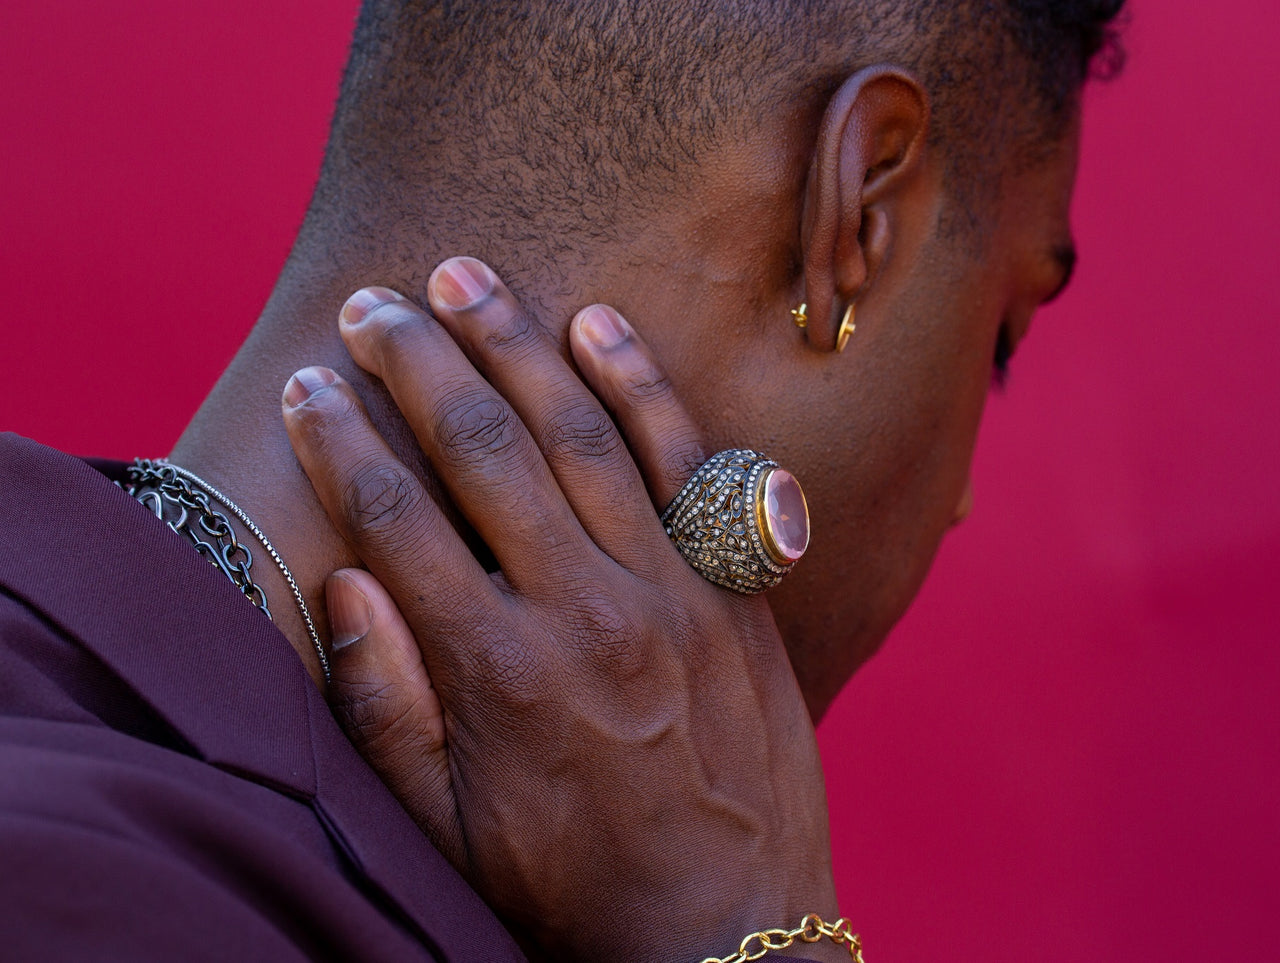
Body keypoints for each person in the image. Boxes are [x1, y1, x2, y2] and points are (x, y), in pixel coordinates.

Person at [0, 1, 1125, 960]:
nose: (962, 499)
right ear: (858, 216)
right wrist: (752, 928)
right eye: (1000, 345)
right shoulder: (94, 895)